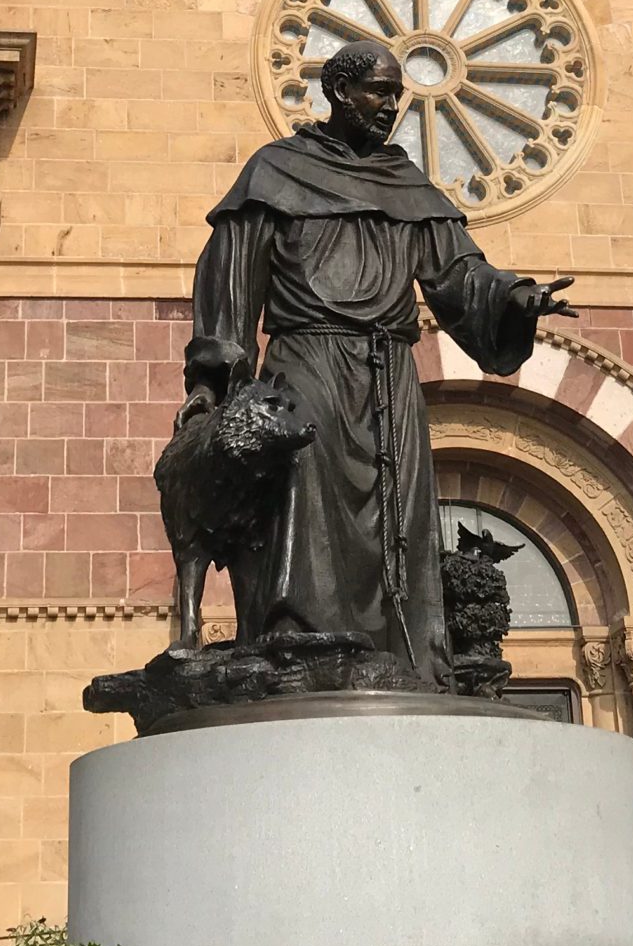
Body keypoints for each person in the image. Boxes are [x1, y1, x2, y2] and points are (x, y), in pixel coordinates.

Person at [185, 38, 575, 681]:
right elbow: (230, 280)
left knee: (401, 513)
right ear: (340, 91)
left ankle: (407, 659)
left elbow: (458, 274)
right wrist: (212, 382)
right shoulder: (276, 171)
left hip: (389, 372)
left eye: (397, 94)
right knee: (303, 496)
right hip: (307, 362)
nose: (392, 106)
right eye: (380, 91)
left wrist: (514, 298)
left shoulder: (404, 182)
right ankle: (300, 645)